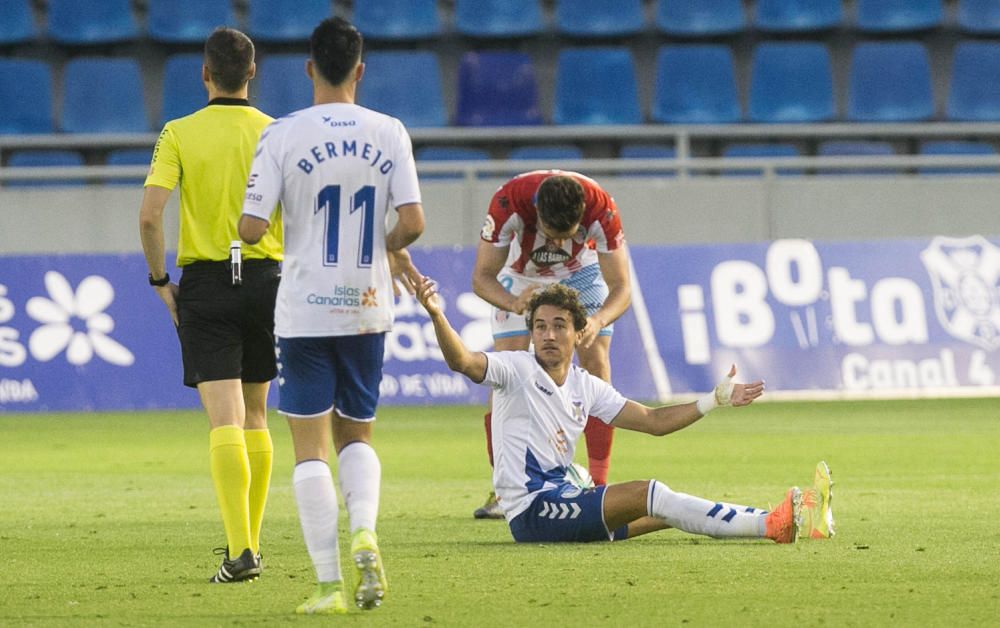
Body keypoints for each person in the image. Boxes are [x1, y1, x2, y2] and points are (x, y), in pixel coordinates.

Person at [238, 17, 425, 616]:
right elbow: (415, 222)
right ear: (361, 70)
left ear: (309, 67)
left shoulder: (283, 134)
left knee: (310, 448)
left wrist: (257, 222)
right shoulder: (389, 130)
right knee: (358, 433)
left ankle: (327, 585)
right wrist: (385, 245)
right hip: (368, 303)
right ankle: (365, 530)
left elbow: (251, 227)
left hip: (305, 307)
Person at [415, 279, 836, 544]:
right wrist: (437, 314)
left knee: (663, 511)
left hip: (567, 498)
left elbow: (652, 422)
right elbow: (465, 363)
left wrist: (714, 400)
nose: (546, 334)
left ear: (579, 334)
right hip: (533, 511)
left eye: (558, 325)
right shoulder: (516, 369)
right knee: (647, 492)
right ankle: (771, 527)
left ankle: (793, 517)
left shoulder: (586, 386)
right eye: (539, 326)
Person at [139, 27, 282, 583]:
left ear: (205, 73)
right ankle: (251, 543)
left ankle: (240, 551)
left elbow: (150, 215)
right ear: (252, 72)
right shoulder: (276, 133)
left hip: (205, 282)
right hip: (267, 279)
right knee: (256, 415)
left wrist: (159, 281)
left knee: (223, 419)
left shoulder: (179, 132)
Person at [471, 170, 630, 519]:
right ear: (536, 214)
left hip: (581, 273)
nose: (557, 245)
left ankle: (598, 485)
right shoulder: (507, 203)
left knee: (596, 357)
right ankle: (503, 489)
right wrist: (514, 304)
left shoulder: (601, 208)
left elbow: (621, 286)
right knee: (505, 370)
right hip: (520, 274)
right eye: (552, 236)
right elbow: (482, 277)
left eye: (567, 236)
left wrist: (599, 320)